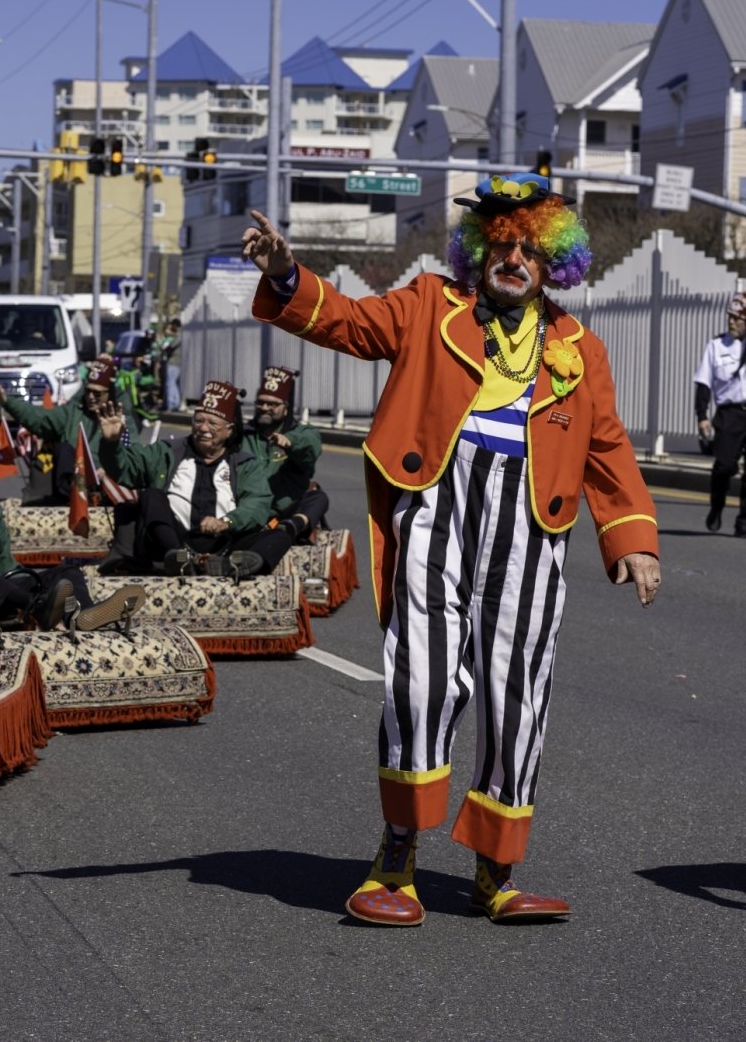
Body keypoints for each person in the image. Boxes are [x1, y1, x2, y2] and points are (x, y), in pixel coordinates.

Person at [243, 174, 661, 926]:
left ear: (553, 263)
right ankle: (397, 856)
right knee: (424, 679)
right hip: (438, 497)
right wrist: (284, 272)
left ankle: (495, 870)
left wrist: (632, 537)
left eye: (532, 250)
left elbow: (607, 446)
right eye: (502, 245)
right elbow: (346, 321)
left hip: (534, 519)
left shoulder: (578, 346)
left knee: (518, 693)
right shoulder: (430, 306)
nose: (515, 259)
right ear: (479, 252)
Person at [0, 388, 144, 630]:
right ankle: (48, 611)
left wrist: (34, 585)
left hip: (3, 588)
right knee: (8, 584)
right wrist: (28, 599)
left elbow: (6, 563)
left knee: (66, 574)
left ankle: (84, 618)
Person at [96, 379, 289, 577]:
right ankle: (179, 560)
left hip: (224, 542)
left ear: (230, 429)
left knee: (279, 536)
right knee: (152, 495)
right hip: (172, 542)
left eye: (212, 423)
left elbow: (258, 502)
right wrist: (111, 444)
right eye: (198, 420)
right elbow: (128, 469)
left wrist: (227, 522)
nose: (203, 428)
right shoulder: (167, 452)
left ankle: (229, 565)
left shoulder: (244, 463)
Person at [0, 359, 138, 506]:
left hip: (105, 486)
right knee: (63, 449)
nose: (90, 397)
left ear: (110, 393)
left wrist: (106, 471)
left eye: (97, 394)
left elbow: (133, 455)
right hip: (72, 485)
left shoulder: (122, 419)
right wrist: (6, 400)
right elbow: (39, 418)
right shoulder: (73, 413)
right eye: (88, 391)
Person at [241, 365, 329, 542]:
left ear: (286, 408)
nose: (264, 407)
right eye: (260, 402)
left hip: (286, 510)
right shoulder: (242, 435)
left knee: (317, 496)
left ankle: (293, 525)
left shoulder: (301, 433)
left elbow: (310, 444)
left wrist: (290, 442)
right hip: (248, 507)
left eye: (272, 404)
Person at [693, 289, 746, 535]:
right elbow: (703, 382)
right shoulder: (716, 345)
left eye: (738, 318)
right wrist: (702, 415)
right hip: (729, 414)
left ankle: (743, 520)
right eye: (731, 317)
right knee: (724, 466)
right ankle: (717, 506)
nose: (732, 321)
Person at [156, 318, 183, 410]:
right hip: (179, 363)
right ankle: (174, 403)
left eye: (171, 326)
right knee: (174, 384)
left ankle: (172, 404)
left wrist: (163, 339)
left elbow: (167, 347)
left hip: (173, 362)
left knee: (170, 383)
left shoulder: (179, 336)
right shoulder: (181, 335)